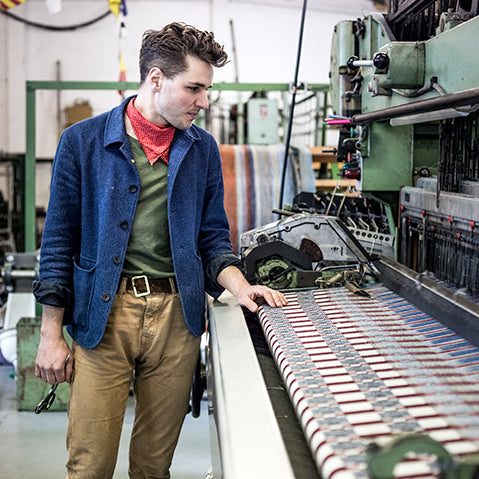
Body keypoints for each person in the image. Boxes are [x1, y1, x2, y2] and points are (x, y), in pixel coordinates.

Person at [33, 22, 287, 479]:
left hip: (177, 319)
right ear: (155, 78)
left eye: (206, 89)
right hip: (103, 319)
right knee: (89, 464)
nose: (204, 101)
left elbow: (212, 236)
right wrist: (52, 334)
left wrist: (241, 286)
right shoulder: (82, 143)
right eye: (194, 88)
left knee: (153, 466)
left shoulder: (202, 149)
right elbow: (57, 242)